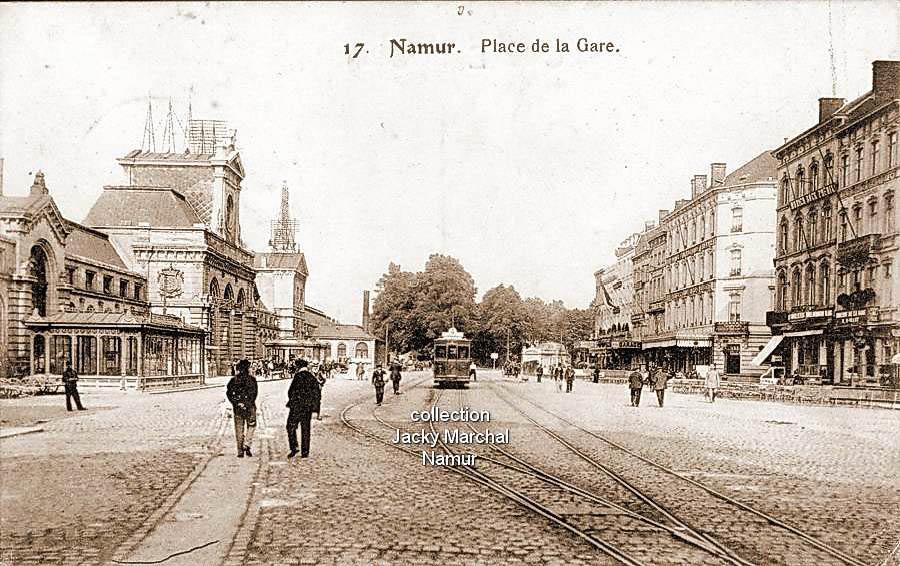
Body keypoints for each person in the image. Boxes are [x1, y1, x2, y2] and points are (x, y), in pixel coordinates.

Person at [286, 359, 321, 459]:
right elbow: (317, 394)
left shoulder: (297, 376)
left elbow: (290, 391)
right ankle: (305, 452)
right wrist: (315, 408)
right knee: (306, 429)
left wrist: (293, 402)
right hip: (307, 408)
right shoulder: (312, 377)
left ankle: (294, 447)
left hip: (296, 408)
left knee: (290, 426)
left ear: (298, 367)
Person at [226, 359, 257, 458]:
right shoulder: (252, 379)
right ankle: (247, 444)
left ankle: (240, 451)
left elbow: (229, 393)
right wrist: (247, 404)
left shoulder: (234, 380)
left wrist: (237, 403)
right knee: (251, 425)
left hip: (238, 408)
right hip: (250, 407)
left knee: (239, 429)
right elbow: (254, 394)